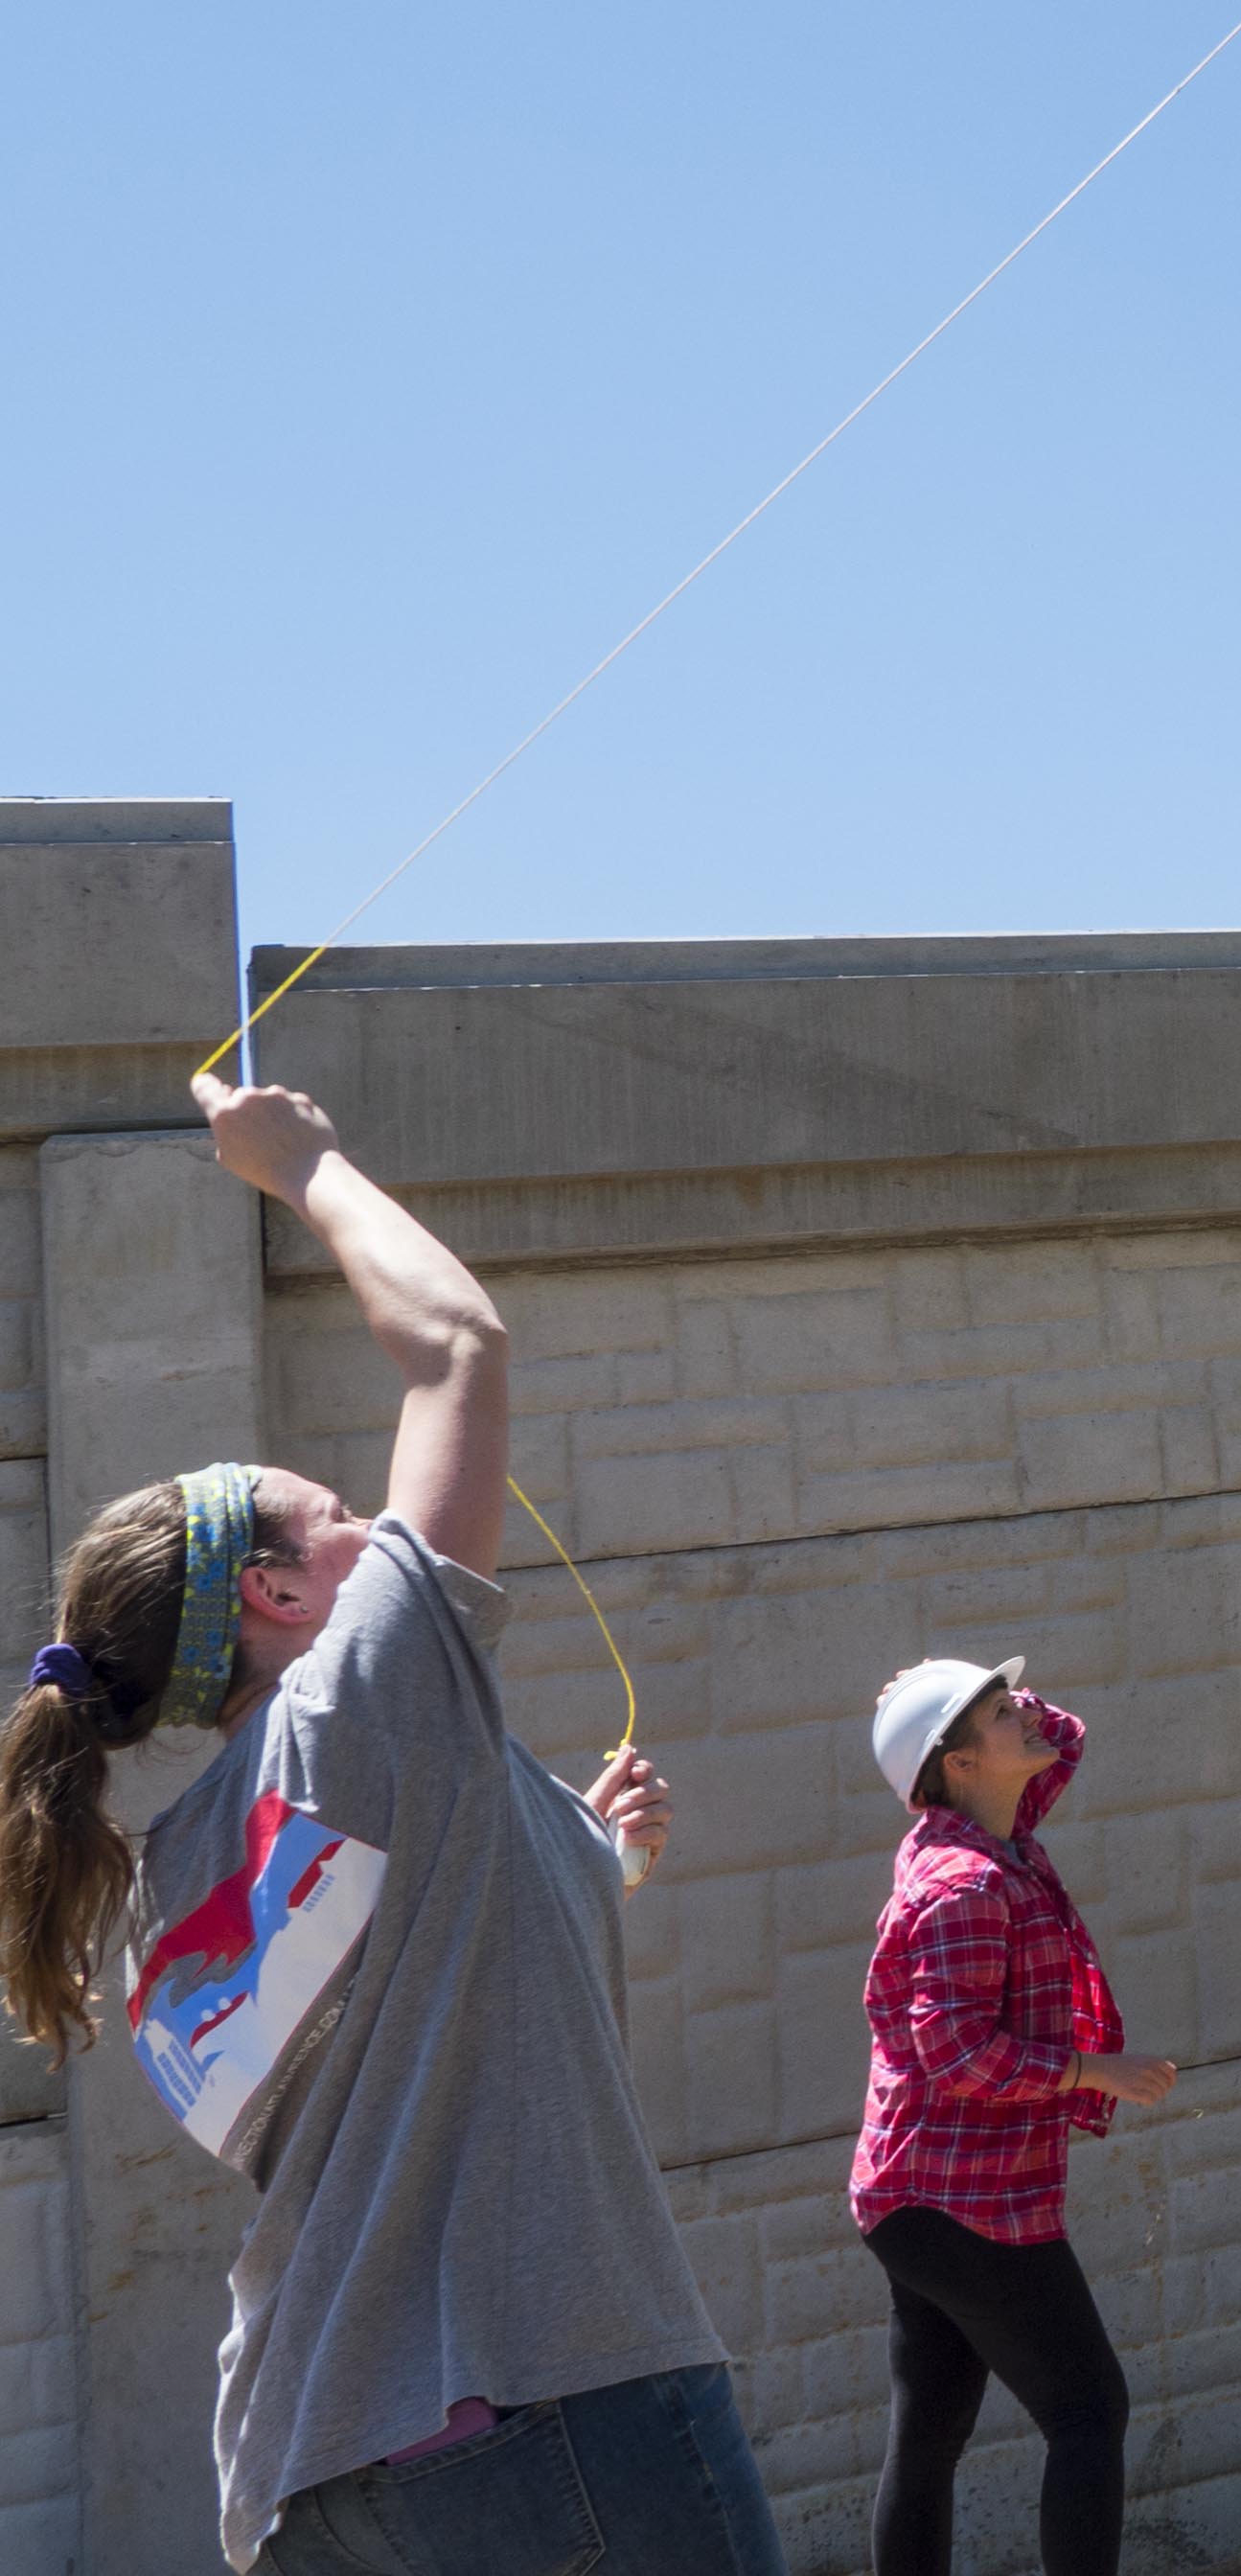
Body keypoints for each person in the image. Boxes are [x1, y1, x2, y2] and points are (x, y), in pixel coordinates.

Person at [0, 1075, 764, 2573]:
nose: (373, 1525)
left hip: (319, 2489)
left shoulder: (168, 1914)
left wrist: (582, 1856)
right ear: (278, 1597)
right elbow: (458, 1346)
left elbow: (394, 2034)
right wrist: (304, 1164)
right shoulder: (352, 1711)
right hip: (543, 2407)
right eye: (336, 1510)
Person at [852, 1654, 1178, 2576]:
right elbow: (954, 2055)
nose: (1027, 1716)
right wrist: (1093, 2071)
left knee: (929, 2438)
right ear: (959, 1765)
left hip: (919, 2196)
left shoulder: (996, 1832)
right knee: (1087, 2410)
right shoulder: (967, 1887)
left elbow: (1062, 1737)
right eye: (999, 1714)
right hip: (965, 2200)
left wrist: (943, 1697)